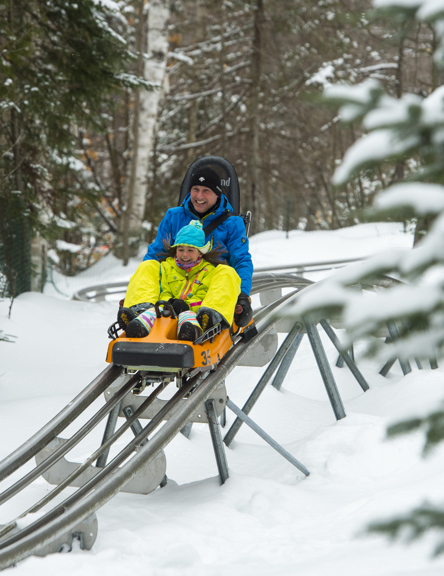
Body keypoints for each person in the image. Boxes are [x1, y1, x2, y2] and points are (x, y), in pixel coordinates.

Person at [117, 165, 253, 332]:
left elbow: (241, 261)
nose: (199, 196)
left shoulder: (232, 223)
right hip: (173, 281)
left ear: (218, 194)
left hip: (207, 287)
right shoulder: (174, 216)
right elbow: (156, 254)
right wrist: (137, 290)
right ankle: (142, 311)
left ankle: (210, 317)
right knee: (148, 265)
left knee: (227, 273)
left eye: (206, 191)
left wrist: (243, 295)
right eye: (195, 189)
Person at [125, 220, 241, 341]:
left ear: (200, 253)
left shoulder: (209, 272)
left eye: (190, 250)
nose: (185, 255)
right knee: (148, 265)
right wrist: (169, 303)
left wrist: (187, 306)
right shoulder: (166, 267)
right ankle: (139, 316)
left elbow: (204, 296)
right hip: (163, 312)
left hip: (195, 314)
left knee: (227, 272)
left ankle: (206, 321)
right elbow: (163, 290)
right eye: (181, 250)